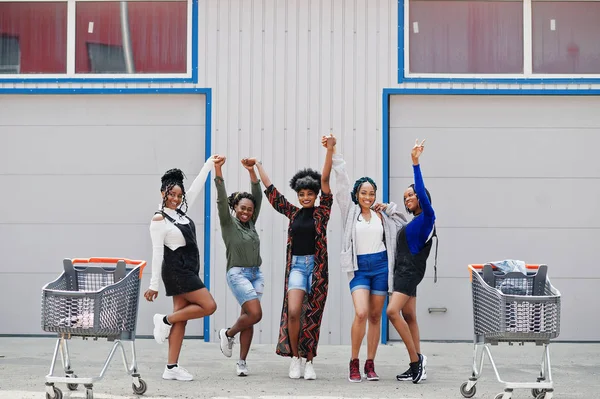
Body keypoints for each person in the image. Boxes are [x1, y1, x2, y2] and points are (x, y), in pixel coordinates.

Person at [252, 135, 335, 380]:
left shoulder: (323, 212)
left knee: (313, 317)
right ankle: (295, 359)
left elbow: (327, 178)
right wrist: (258, 164)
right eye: (302, 194)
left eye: (310, 193)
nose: (306, 197)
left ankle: (309, 361)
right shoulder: (293, 213)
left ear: (316, 194)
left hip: (317, 269)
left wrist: (330, 149)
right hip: (298, 267)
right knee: (295, 311)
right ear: (298, 196)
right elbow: (272, 194)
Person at [326, 135, 407, 383]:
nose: (368, 197)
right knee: (361, 313)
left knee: (375, 316)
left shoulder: (381, 215)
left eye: (372, 193)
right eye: (364, 192)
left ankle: (370, 363)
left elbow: (404, 224)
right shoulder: (349, 211)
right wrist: (334, 150)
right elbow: (340, 181)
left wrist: (391, 209)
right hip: (359, 267)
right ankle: (354, 362)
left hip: (381, 266)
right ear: (357, 194)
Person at [144, 157, 218, 382]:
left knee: (181, 319)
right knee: (209, 305)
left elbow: (195, 188)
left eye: (179, 195)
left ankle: (171, 367)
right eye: (171, 195)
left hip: (188, 270)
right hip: (177, 272)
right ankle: (164, 320)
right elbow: (157, 253)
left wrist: (209, 164)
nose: (176, 199)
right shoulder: (159, 219)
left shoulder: (181, 212)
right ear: (162, 193)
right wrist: (153, 285)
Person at [386, 139, 436, 384]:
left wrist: (415, 163)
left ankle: (416, 361)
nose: (407, 198)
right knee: (409, 317)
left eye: (412, 194)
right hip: (404, 272)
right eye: (405, 196)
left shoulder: (427, 215)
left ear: (421, 197)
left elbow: (420, 189)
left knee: (391, 312)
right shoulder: (413, 222)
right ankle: (416, 364)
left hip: (409, 272)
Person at [213, 154, 264, 377]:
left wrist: (252, 171)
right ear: (235, 208)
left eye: (249, 209)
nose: (246, 212)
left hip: (256, 274)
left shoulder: (251, 223)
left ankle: (242, 362)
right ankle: (228, 333)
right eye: (242, 208)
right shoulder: (228, 222)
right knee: (255, 313)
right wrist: (218, 171)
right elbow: (221, 199)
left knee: (249, 318)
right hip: (237, 274)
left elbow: (258, 196)